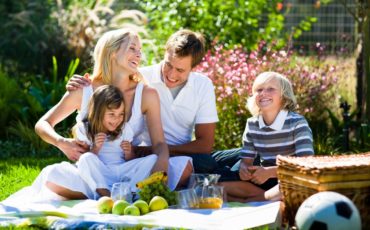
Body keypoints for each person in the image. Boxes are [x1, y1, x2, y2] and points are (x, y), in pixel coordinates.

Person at [14, 28, 192, 201]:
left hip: (128, 170)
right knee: (53, 175)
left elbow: (160, 144)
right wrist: (62, 143)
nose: (139, 55)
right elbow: (43, 124)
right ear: (112, 52)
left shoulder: (146, 94)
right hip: (92, 171)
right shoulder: (83, 89)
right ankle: (122, 194)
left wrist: (161, 169)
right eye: (132, 48)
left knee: (184, 166)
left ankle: (115, 193)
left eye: (140, 51)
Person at [67, 29, 219, 174]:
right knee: (209, 169)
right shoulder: (138, 77)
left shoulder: (202, 85)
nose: (171, 74)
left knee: (218, 161)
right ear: (164, 53)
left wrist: (157, 151)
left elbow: (205, 144)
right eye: (168, 65)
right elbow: (106, 87)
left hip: (172, 152)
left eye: (180, 70)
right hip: (142, 155)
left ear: (193, 68)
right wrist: (79, 86)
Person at [219, 71, 314, 202]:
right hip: (263, 179)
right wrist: (244, 170)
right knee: (221, 185)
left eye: (271, 89)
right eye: (259, 90)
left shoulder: (297, 123)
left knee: (296, 184)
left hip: (290, 177)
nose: (263, 93)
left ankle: (256, 199)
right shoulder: (252, 124)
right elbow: (246, 161)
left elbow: (306, 164)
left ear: (284, 96)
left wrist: (269, 172)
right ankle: (264, 198)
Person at [74, 85, 140, 198]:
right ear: (98, 112)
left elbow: (131, 161)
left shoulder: (124, 129)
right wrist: (95, 148)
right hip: (102, 173)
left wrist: (129, 153)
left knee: (152, 159)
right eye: (112, 114)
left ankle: (133, 192)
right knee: (86, 158)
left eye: (121, 114)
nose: (117, 119)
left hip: (122, 172)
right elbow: (84, 161)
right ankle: (107, 194)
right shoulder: (86, 129)